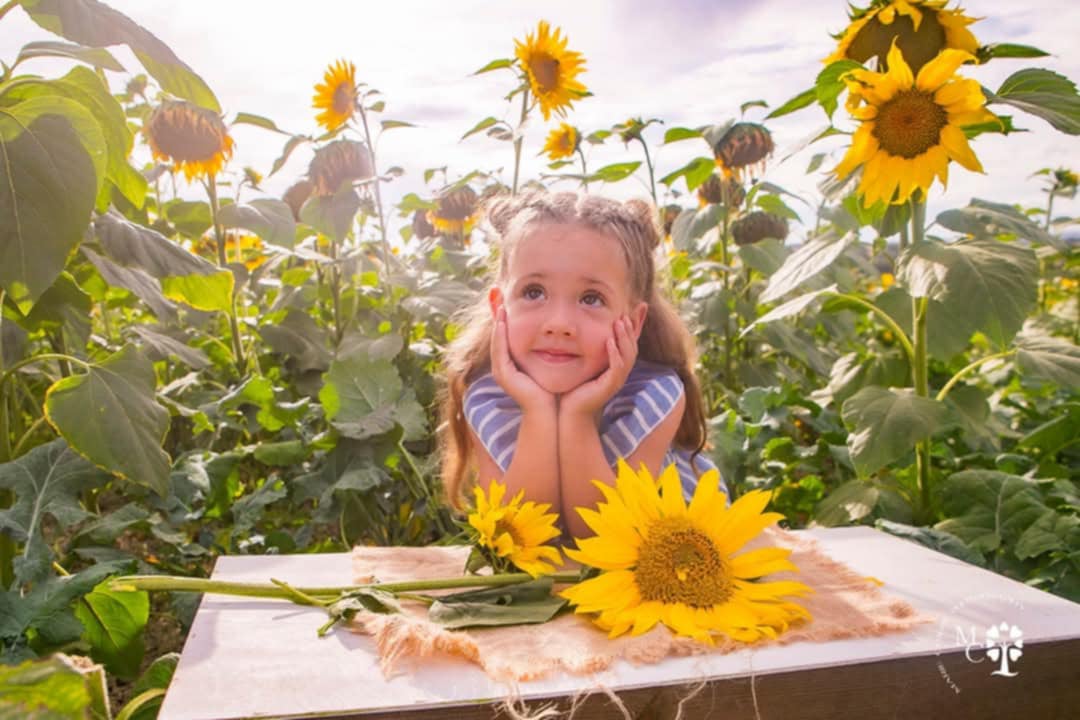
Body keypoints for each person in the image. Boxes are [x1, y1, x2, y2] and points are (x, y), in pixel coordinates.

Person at [439, 191, 727, 538]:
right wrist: (538, 412)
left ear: (633, 324)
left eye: (591, 298)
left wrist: (576, 416)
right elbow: (515, 538)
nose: (559, 323)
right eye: (534, 292)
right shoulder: (488, 398)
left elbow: (603, 539)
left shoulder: (652, 398)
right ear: (500, 308)